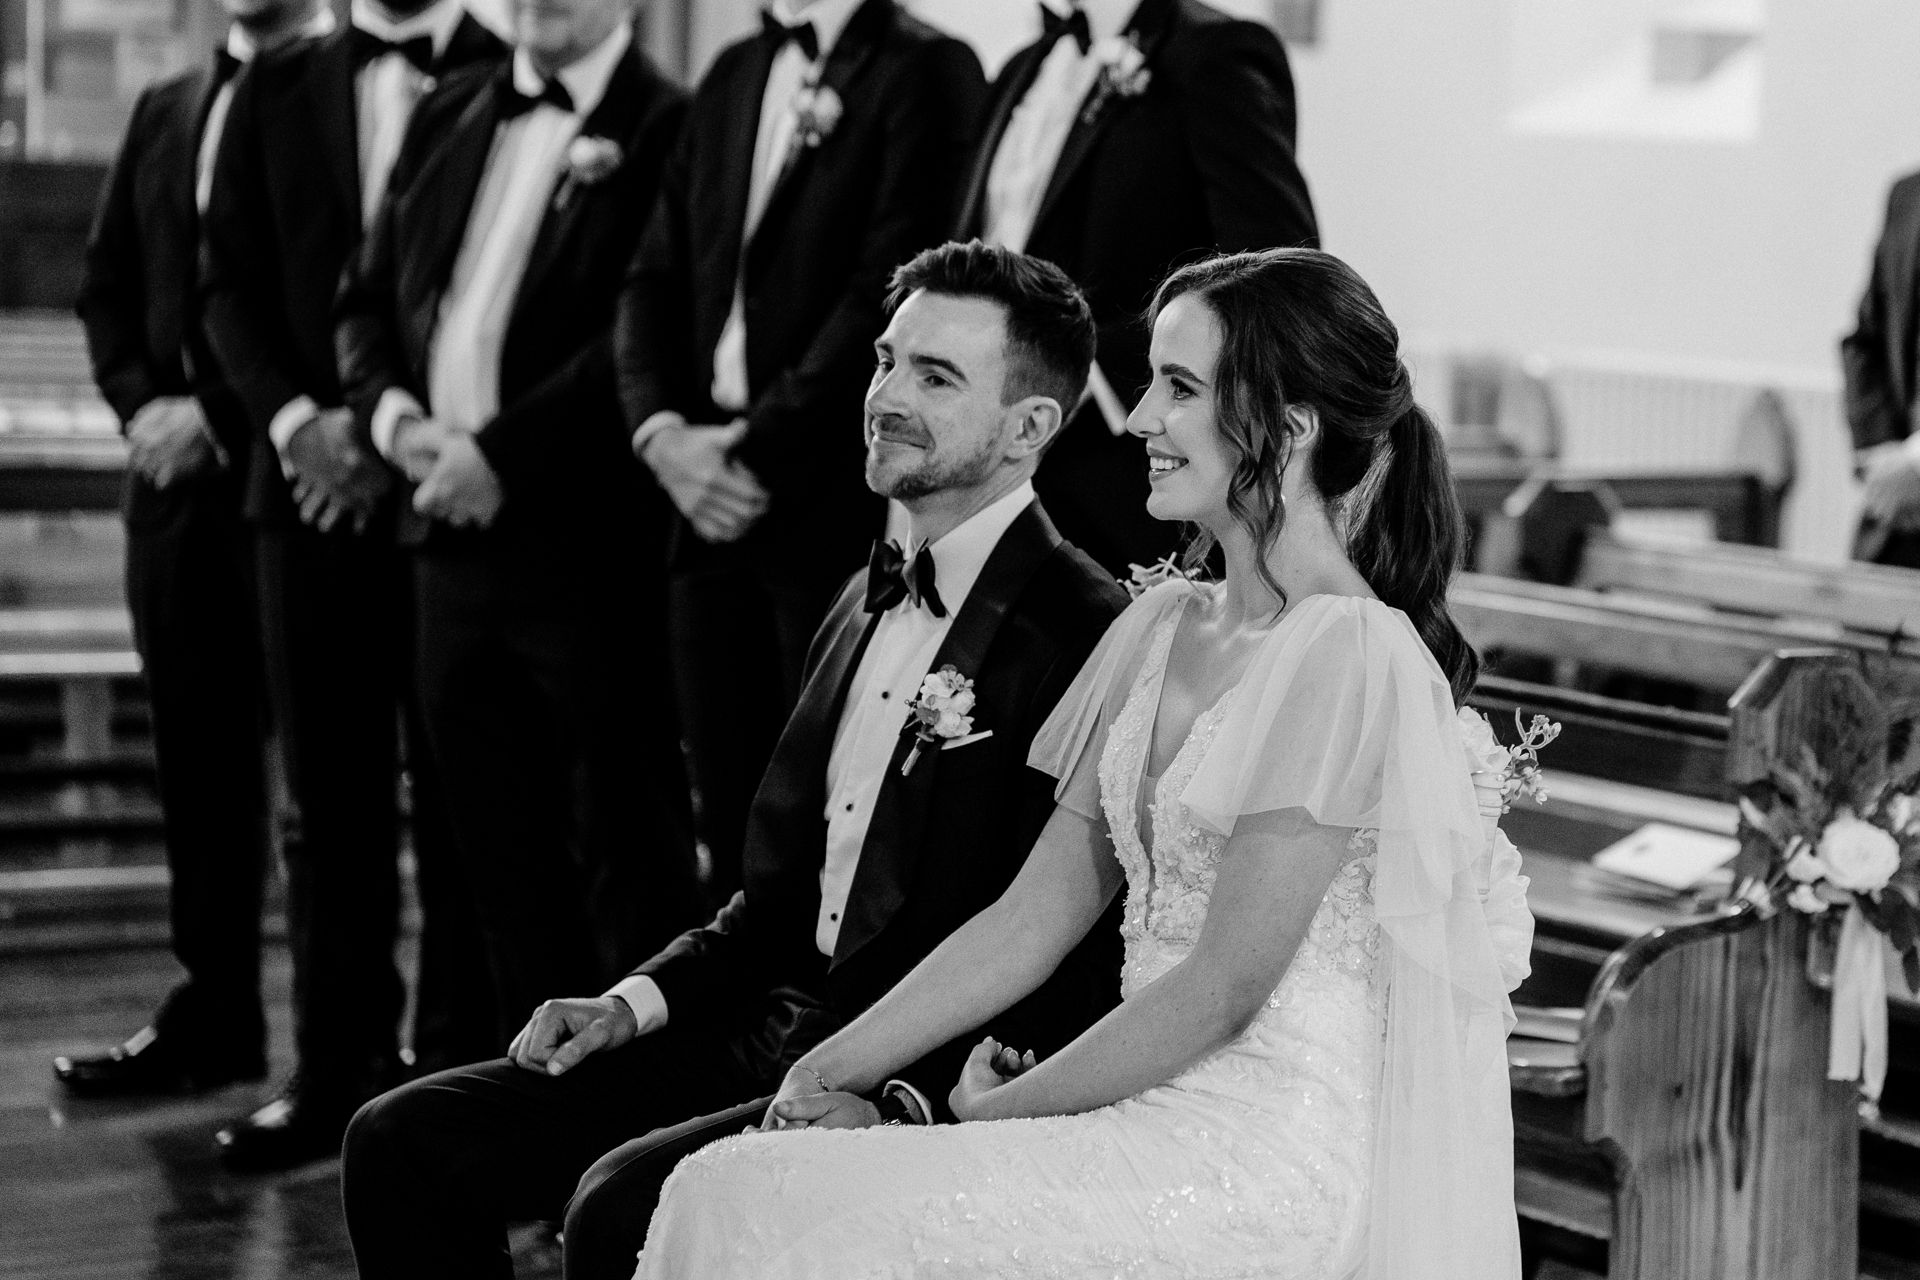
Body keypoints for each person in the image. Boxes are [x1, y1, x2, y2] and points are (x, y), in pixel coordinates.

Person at [636, 248, 1532, 1280]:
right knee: (728, 1182)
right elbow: (1029, 919)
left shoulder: (1347, 651)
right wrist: (826, 1068)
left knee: (775, 1215)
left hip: (1253, 1157)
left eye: (1180, 388)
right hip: (1130, 1110)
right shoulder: (1156, 625)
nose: (1138, 416)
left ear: (1288, 431)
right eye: (1152, 379)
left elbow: (1224, 985)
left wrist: (989, 1113)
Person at [341, 242, 1128, 1280]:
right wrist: (628, 1001)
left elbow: (1065, 950)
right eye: (886, 360)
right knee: (400, 1140)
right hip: (754, 1030)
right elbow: (771, 902)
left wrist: (901, 1098)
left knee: (617, 1202)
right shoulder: (860, 596)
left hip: (895, 1071)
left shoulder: (1088, 629)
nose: (885, 395)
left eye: (936, 377)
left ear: (1031, 427)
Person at [198, 0, 506, 1169]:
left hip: (455, 498)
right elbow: (222, 282)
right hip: (306, 498)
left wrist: (408, 438)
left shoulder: (507, 67)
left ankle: (454, 1073)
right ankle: (332, 1069)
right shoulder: (276, 81)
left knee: (464, 792)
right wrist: (297, 425)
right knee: (324, 803)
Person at [614, 0, 987, 904]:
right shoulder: (736, 72)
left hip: (825, 497)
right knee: (720, 807)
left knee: (812, 818)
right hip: (698, 500)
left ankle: (798, 1037)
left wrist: (748, 447)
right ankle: (715, 1035)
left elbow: (891, 291)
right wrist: (662, 434)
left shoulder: (927, 68)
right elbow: (654, 273)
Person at [57, 0, 332, 1099]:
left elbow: (314, 304)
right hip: (169, 495)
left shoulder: (338, 98)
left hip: (285, 481)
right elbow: (105, 286)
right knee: (198, 766)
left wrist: (218, 414)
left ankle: (339, 1041)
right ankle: (214, 1009)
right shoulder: (166, 106)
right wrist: (145, 413)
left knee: (318, 782)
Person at [954, 0, 1318, 576]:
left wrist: (1084, 370)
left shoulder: (1216, 53)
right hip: (998, 471)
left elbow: (1271, 275)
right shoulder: (1022, 69)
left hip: (1127, 469)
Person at [1843, 169, 1920, 567]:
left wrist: (1917, 462)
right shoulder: (1908, 194)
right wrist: (1881, 458)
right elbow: (1866, 340)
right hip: (1898, 514)